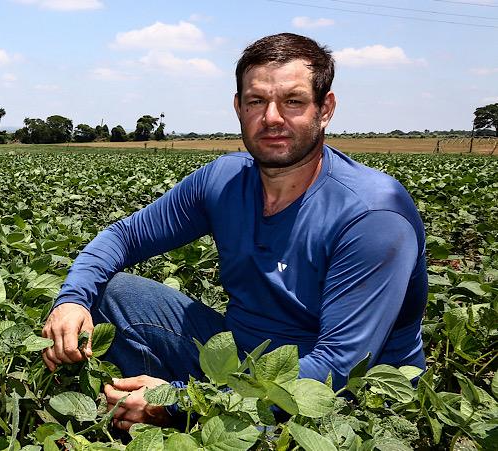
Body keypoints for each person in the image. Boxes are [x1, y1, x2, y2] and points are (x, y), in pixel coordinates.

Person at [41, 33, 427, 431]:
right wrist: (70, 301)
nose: (272, 117)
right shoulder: (224, 180)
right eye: (257, 101)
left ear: (324, 109)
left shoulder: (372, 214)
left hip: (340, 396)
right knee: (109, 292)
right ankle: (142, 413)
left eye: (292, 101)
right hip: (242, 357)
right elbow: (124, 237)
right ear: (238, 107)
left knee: (282, 420)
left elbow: (339, 365)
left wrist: (174, 402)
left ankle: (169, 416)